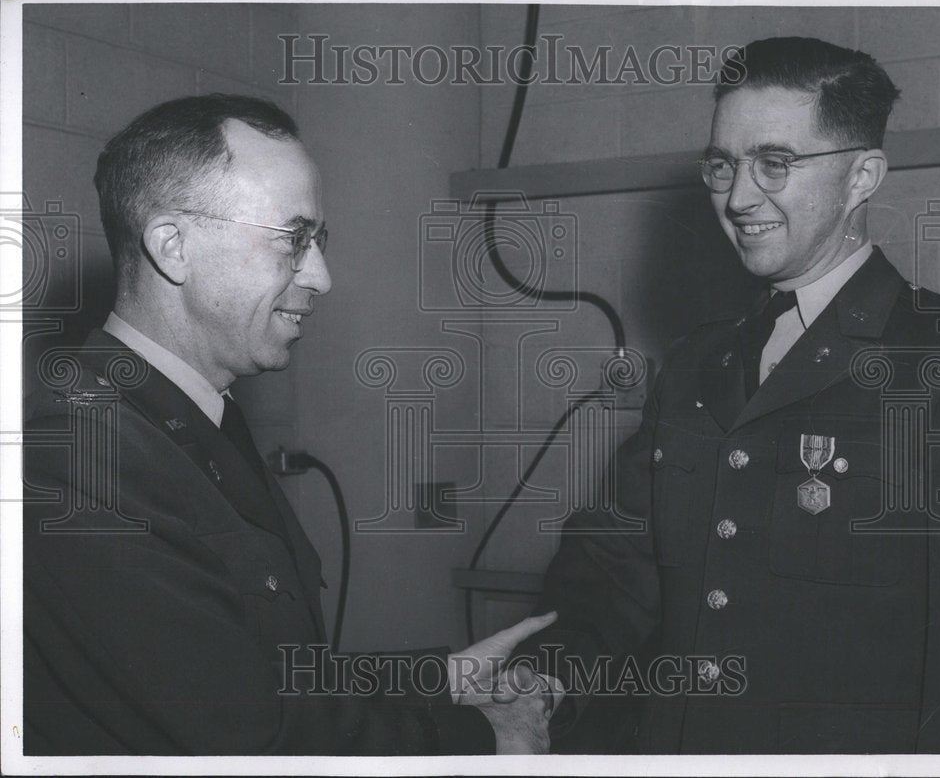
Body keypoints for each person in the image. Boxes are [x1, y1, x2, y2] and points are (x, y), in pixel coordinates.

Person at [22, 94, 560, 755]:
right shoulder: (79, 454)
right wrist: (486, 738)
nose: (322, 277)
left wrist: (435, 679)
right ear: (173, 247)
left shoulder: (185, 416)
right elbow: (253, 737)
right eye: (293, 239)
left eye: (318, 240)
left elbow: (252, 670)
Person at [516, 36, 940, 754]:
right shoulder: (701, 361)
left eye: (775, 163)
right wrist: (543, 681)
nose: (736, 196)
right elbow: (614, 568)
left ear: (862, 176)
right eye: (723, 164)